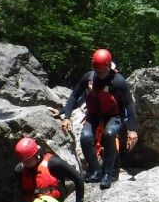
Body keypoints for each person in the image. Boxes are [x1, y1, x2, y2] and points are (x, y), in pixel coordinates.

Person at [58, 48, 138, 190]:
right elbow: (75, 96)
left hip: (114, 116)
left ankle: (107, 175)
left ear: (109, 66)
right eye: (98, 71)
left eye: (103, 71)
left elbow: (129, 105)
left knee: (109, 134)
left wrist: (132, 130)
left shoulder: (118, 81)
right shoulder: (89, 78)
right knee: (85, 137)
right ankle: (95, 172)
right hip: (94, 115)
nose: (100, 74)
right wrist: (66, 116)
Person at [14, 137, 88, 202]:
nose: (26, 163)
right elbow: (24, 192)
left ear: (35, 154)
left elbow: (78, 178)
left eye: (29, 160)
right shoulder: (20, 170)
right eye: (24, 161)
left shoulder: (53, 163)